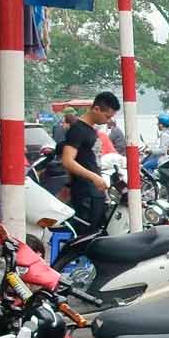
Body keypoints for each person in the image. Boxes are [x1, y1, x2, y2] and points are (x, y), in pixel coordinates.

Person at [61, 91, 118, 234]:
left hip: (95, 191)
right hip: (85, 193)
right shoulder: (78, 130)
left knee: (96, 233)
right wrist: (94, 177)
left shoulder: (91, 131)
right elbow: (67, 161)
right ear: (96, 109)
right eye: (107, 116)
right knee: (85, 235)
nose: (108, 120)